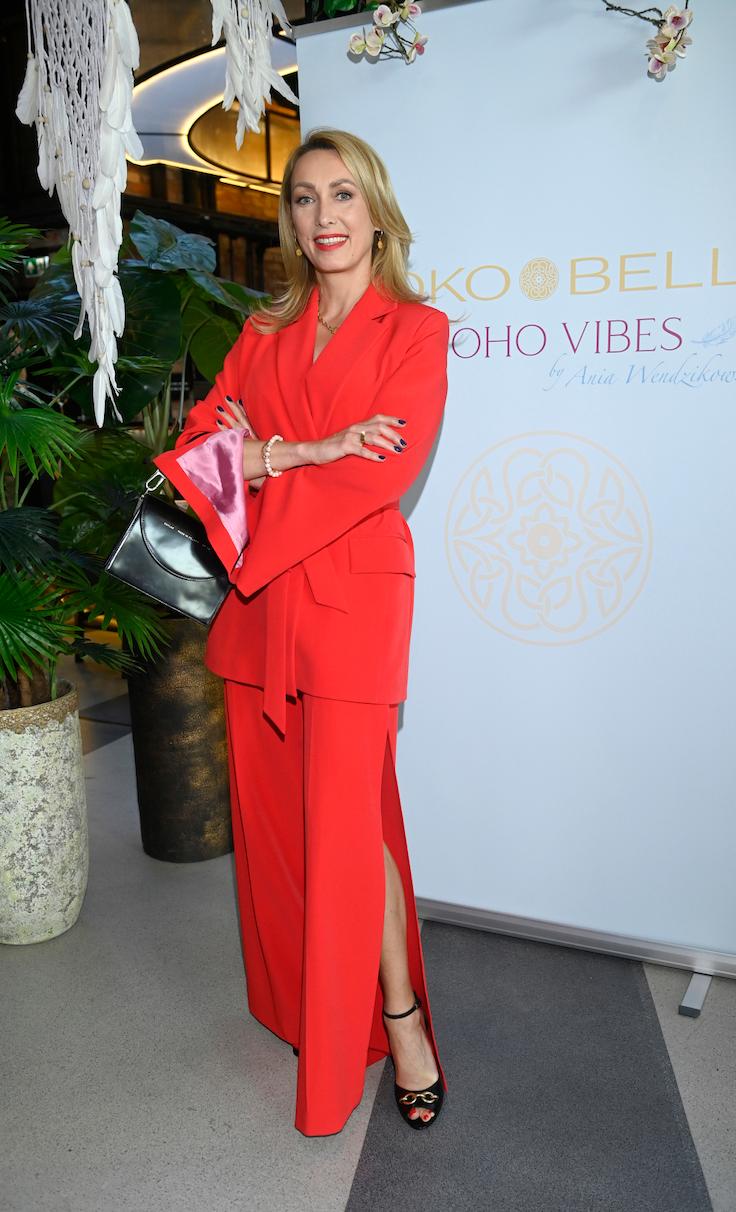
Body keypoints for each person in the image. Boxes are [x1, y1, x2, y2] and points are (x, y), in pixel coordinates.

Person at [153, 128, 449, 1137]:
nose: (324, 217)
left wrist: (264, 461)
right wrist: (305, 449)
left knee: (351, 827)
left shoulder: (416, 330)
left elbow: (383, 472)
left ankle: (399, 1022)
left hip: (353, 605)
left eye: (343, 195)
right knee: (280, 828)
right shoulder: (261, 333)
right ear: (289, 218)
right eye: (305, 198)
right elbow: (196, 456)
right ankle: (305, 1009)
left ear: (376, 212)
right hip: (263, 613)